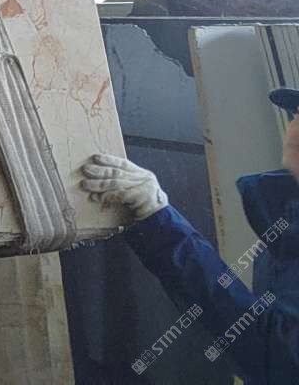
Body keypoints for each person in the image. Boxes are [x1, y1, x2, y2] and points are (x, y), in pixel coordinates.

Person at [81, 93, 299, 383]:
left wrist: (160, 220)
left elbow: (276, 353)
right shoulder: (284, 224)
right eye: (297, 112)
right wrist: (155, 221)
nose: (295, 124)